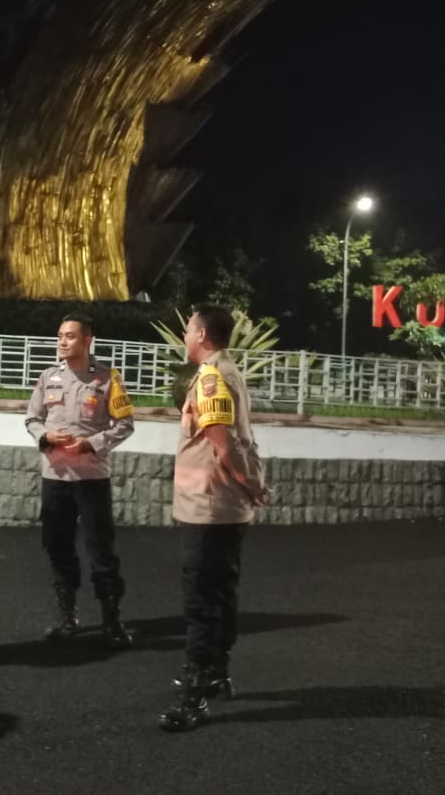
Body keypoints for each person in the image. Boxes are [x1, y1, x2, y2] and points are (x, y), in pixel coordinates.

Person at [159, 304, 270, 733]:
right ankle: (218, 674)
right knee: (222, 593)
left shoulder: (211, 378)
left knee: (201, 601)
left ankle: (194, 694)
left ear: (202, 335)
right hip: (223, 506)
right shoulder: (227, 371)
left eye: (189, 329)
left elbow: (223, 445)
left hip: (208, 506)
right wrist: (251, 487)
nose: (185, 336)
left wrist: (251, 484)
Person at [24, 313, 138, 647]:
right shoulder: (48, 377)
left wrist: (93, 443)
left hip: (91, 478)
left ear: (88, 340)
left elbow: (125, 424)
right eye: (60, 335)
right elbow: (32, 418)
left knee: (101, 549)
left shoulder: (107, 378)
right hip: (55, 477)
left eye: (70, 336)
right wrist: (45, 436)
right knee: (57, 546)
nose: (62, 341)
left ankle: (111, 621)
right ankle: (67, 617)